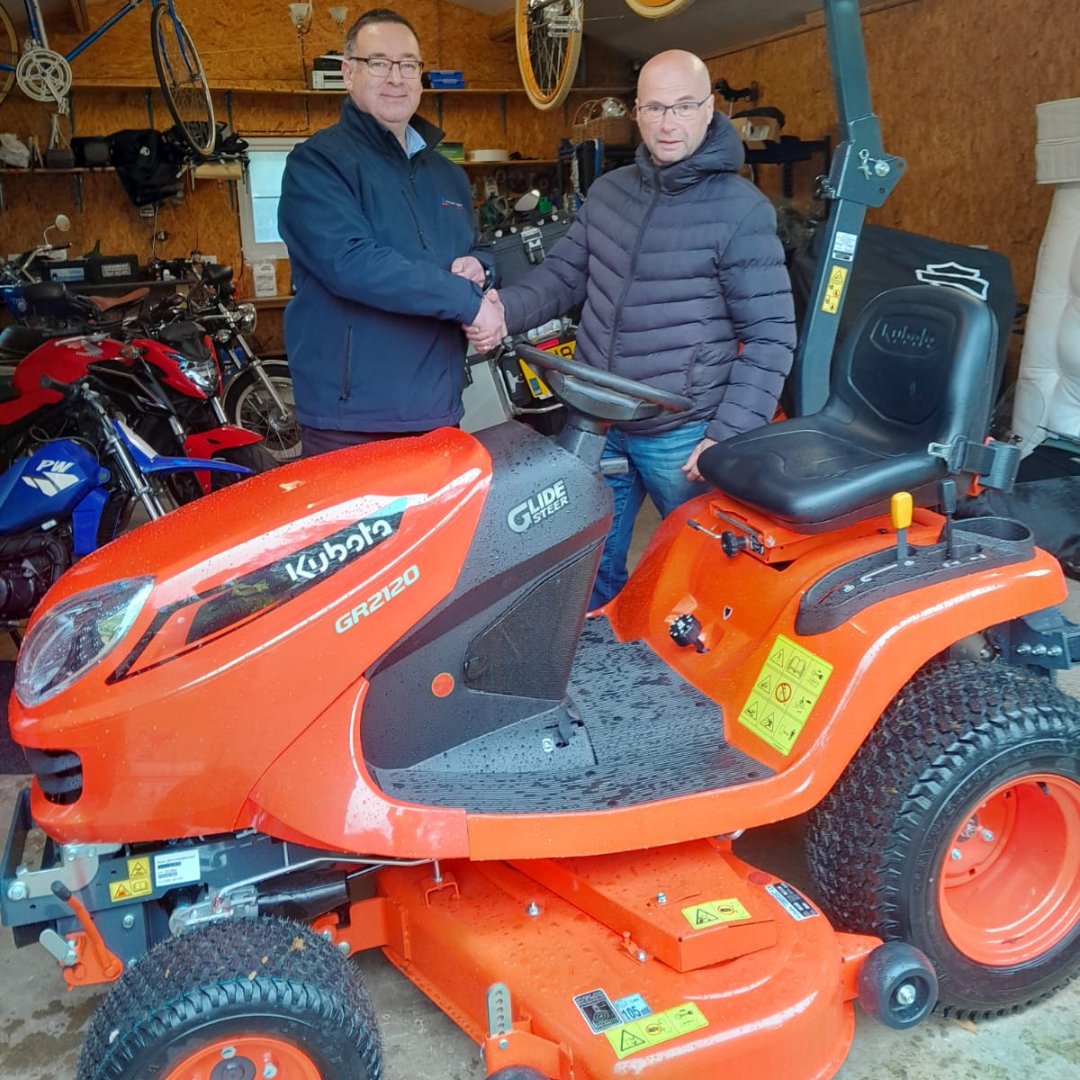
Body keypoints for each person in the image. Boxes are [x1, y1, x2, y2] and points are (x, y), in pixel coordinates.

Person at [471, 50, 796, 608]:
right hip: (598, 418)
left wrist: (727, 434)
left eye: (683, 106)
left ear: (709, 109)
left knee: (711, 570)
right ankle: (600, 669)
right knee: (586, 562)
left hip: (683, 428)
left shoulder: (741, 211)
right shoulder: (610, 193)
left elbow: (772, 336)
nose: (668, 122)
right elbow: (563, 276)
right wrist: (504, 309)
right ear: (638, 112)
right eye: (654, 108)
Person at [278, 7, 503, 457]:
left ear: (420, 75)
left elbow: (475, 248)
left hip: (439, 409)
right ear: (348, 73)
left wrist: (483, 269)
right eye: (378, 62)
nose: (395, 77)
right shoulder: (316, 164)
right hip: (354, 420)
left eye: (408, 64)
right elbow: (352, 263)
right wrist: (468, 305)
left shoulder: (448, 176)